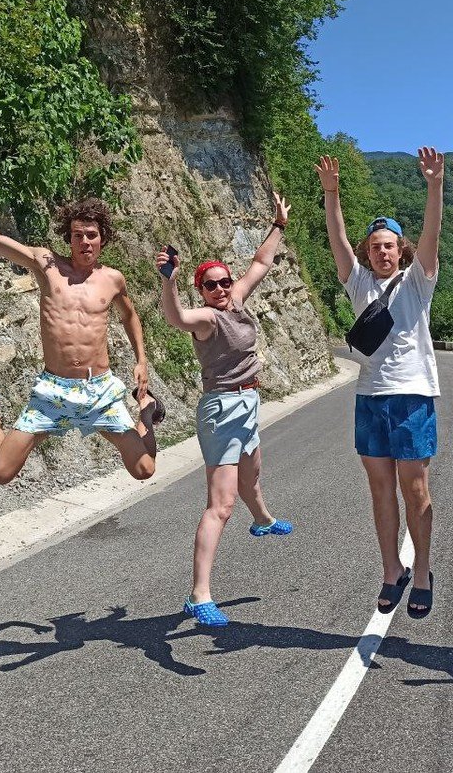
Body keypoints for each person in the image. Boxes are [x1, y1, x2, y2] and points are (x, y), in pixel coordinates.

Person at [0, 166, 164, 484]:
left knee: (144, 469)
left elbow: (129, 316)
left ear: (103, 239)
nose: (85, 242)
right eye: (77, 235)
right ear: (69, 238)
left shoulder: (113, 279)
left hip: (99, 392)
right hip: (54, 391)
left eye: (92, 235)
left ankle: (146, 409)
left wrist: (141, 360)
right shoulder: (47, 265)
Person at [155, 192, 294, 627]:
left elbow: (261, 262)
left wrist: (279, 224)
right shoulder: (207, 318)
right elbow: (176, 318)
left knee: (252, 475)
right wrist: (169, 281)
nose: (219, 289)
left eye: (223, 282)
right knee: (221, 505)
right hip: (223, 408)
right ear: (201, 290)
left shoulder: (237, 301)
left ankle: (263, 520)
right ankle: (199, 595)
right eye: (210, 285)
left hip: (248, 402)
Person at [316, 148, 444, 618]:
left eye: (389, 245)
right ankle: (392, 569)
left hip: (412, 396)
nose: (382, 252)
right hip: (370, 397)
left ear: (401, 250)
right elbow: (337, 240)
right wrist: (332, 195)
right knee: (380, 490)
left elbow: (432, 234)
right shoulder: (358, 283)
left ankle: (422, 569)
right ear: (368, 253)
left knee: (415, 488)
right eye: (375, 247)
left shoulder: (417, 282)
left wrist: (435, 186)